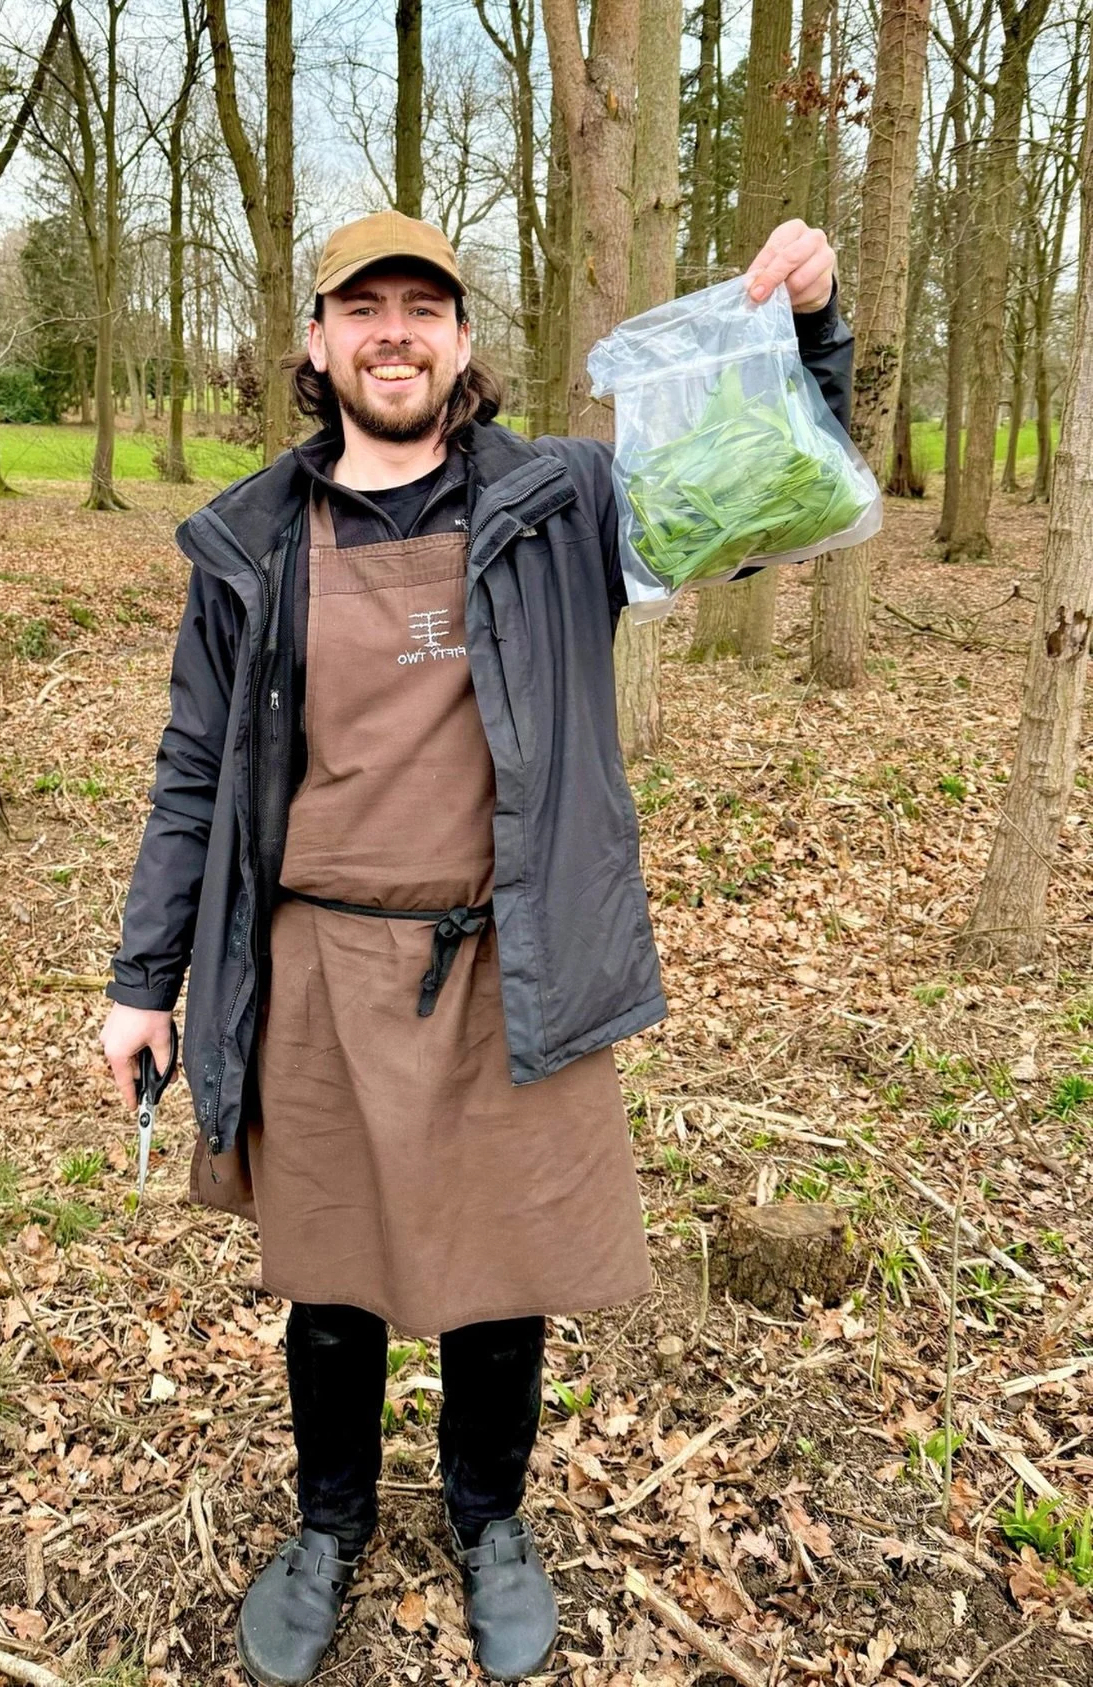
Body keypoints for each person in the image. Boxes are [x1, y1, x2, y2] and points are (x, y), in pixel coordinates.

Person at [101, 210, 853, 1685]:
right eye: (362, 307)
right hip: (321, 967)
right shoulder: (252, 540)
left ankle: (489, 1519)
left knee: (504, 1278)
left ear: (460, 340)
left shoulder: (562, 501)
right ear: (317, 341)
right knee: (330, 1281)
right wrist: (145, 980)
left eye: (422, 308)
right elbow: (194, 770)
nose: (393, 333)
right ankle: (328, 1523)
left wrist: (809, 333)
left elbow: (774, 489)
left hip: (515, 959)